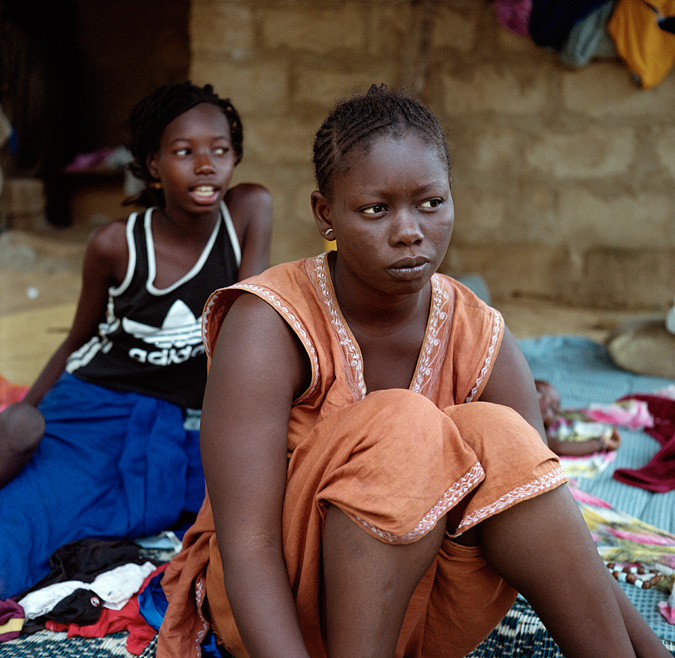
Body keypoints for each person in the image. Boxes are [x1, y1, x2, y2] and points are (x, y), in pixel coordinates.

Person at [157, 86, 671, 658]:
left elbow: (542, 507)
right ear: (325, 214)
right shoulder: (268, 323)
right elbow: (248, 544)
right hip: (283, 617)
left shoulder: (479, 332)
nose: (409, 230)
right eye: (375, 209)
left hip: (425, 612)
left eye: (431, 202)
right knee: (404, 423)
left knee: (504, 437)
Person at [0, 82, 272, 599]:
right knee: (24, 523)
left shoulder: (248, 212)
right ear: (152, 165)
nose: (206, 165)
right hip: (96, 405)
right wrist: (21, 419)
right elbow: (76, 342)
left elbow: (248, 322)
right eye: (183, 152)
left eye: (220, 149)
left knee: (265, 515)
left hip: (188, 416)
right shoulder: (115, 245)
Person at [536, 379, 622, 456]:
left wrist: (601, 443)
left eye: (552, 408)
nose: (546, 401)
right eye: (539, 391)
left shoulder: (538, 429)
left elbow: (559, 447)